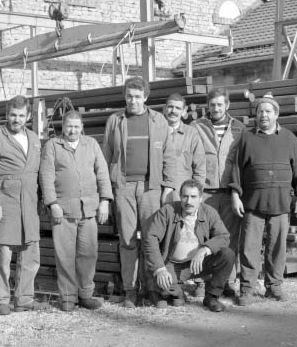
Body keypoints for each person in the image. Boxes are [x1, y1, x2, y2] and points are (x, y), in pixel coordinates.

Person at [102, 76, 177, 308]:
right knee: (126, 241)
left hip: (151, 189)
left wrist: (168, 187)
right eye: (128, 96)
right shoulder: (115, 120)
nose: (132, 101)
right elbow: (106, 156)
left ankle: (153, 290)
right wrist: (107, 192)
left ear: (145, 97)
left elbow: (169, 156)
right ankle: (130, 291)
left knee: (151, 240)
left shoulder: (158, 121)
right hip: (123, 187)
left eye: (137, 96)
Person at [230, 93, 297, 305]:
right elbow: (236, 168)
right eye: (259, 111)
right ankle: (247, 289)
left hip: (281, 203)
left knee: (277, 247)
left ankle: (274, 286)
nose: (263, 115)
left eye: (267, 111)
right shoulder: (247, 137)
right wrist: (235, 194)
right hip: (252, 203)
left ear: (276, 114)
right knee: (249, 248)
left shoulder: (289, 139)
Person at [39, 110, 113, 312]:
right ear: (63, 127)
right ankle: (68, 297)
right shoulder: (53, 146)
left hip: (88, 209)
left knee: (88, 254)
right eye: (69, 126)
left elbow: (102, 173)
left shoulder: (91, 145)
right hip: (63, 210)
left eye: (76, 126)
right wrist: (52, 203)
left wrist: (105, 200)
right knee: (65, 255)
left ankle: (85, 294)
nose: (72, 130)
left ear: (82, 128)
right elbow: (46, 176)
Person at [0, 95, 48, 315]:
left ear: (28, 116)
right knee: (3, 253)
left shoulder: (35, 139)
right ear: (6, 115)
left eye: (21, 115)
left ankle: (24, 299)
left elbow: (39, 172)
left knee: (30, 252)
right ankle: (0, 299)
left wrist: (43, 200)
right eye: (12, 115)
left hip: (29, 200)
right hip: (5, 201)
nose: (16, 119)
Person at [142, 179, 236, 313]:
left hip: (198, 264)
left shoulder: (209, 212)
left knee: (228, 255)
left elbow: (224, 236)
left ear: (200, 198)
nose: (189, 201)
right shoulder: (167, 211)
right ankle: (174, 291)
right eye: (185, 196)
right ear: (180, 197)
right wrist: (160, 269)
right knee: (163, 284)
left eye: (193, 197)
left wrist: (205, 249)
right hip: (172, 264)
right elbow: (150, 238)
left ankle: (211, 297)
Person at [193, 87, 246, 295]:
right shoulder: (196, 127)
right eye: (212, 104)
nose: (216, 108)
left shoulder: (239, 129)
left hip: (229, 192)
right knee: (202, 236)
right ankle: (202, 281)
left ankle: (227, 281)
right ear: (208, 106)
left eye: (220, 104)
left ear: (227, 105)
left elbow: (243, 162)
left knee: (230, 237)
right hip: (205, 192)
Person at [162, 92, 207, 297]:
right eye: (170, 106)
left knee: (192, 237)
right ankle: (167, 282)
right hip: (161, 194)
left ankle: (199, 281)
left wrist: (196, 196)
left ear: (184, 111)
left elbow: (200, 167)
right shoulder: (157, 131)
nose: (173, 111)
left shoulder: (191, 134)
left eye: (177, 108)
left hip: (185, 197)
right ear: (165, 108)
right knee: (166, 239)